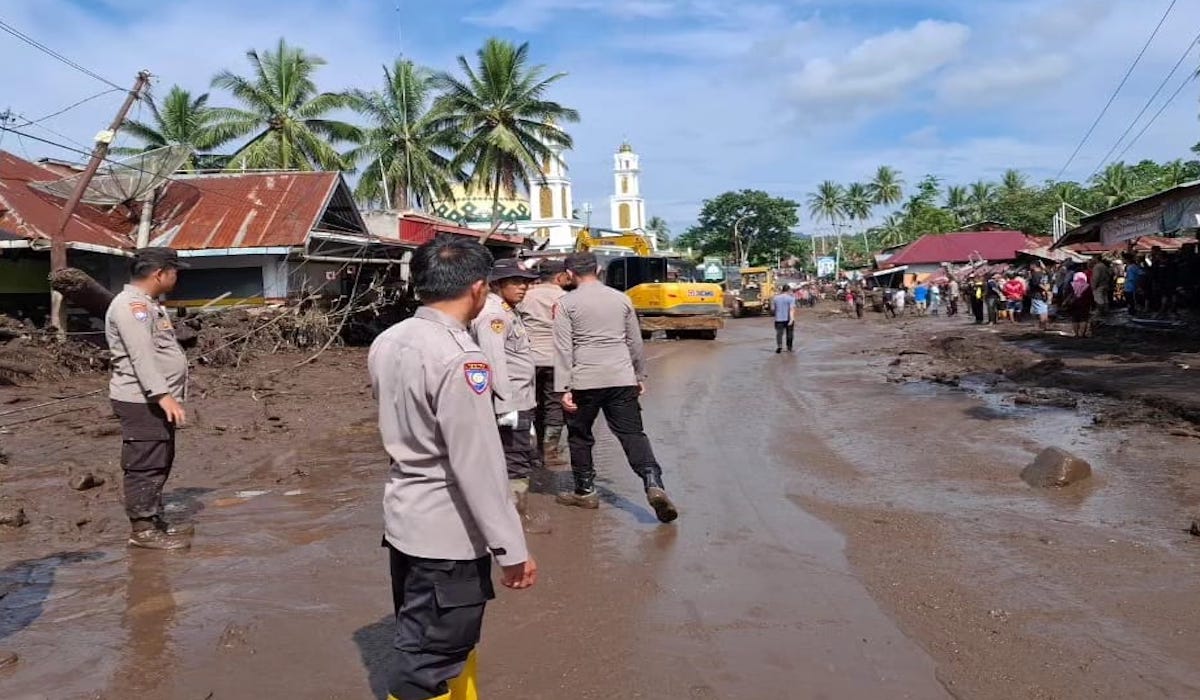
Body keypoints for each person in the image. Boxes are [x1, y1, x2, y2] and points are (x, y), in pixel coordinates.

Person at [369, 236, 537, 700]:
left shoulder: (389, 340)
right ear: (480, 288)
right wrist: (511, 548)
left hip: (406, 518)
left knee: (437, 642)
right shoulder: (461, 358)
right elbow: (477, 464)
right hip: (449, 534)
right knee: (429, 662)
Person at [552, 251, 679, 523]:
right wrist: (638, 375)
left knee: (580, 436)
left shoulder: (566, 303)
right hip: (621, 377)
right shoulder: (622, 299)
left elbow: (563, 348)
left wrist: (563, 387)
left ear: (570, 274)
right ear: (597, 269)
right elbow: (634, 341)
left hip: (584, 379)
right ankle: (653, 481)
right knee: (633, 433)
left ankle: (585, 491)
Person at [106, 247, 193, 550]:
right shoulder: (131, 306)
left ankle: (153, 521)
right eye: (174, 271)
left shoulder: (147, 304)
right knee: (145, 463)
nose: (176, 276)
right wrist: (163, 395)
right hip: (142, 400)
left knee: (160, 458)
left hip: (151, 400)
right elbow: (141, 356)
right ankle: (141, 531)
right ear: (160, 274)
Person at [470, 257, 548, 534]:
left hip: (518, 399)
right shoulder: (494, 316)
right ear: (497, 284)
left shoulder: (507, 310)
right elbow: (492, 362)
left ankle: (509, 516)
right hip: (509, 402)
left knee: (516, 455)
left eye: (526, 283)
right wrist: (505, 406)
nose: (523, 288)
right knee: (515, 458)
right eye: (516, 282)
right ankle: (514, 521)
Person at [517, 259, 570, 457]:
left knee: (530, 403)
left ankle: (528, 448)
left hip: (529, 358)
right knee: (554, 404)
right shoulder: (566, 298)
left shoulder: (526, 296)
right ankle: (550, 451)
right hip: (557, 359)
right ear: (559, 276)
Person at [1066, 271, 1094, 338]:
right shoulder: (1087, 286)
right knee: (1083, 319)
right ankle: (1082, 334)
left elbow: (1067, 294)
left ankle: (1076, 334)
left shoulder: (1071, 285)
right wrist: (1092, 304)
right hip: (1085, 304)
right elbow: (1091, 296)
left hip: (1073, 304)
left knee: (1075, 319)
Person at [771, 283, 797, 353]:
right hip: (788, 318)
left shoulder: (775, 298)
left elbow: (773, 309)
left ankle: (779, 346)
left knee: (779, 333)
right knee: (790, 334)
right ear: (788, 290)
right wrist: (791, 319)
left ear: (782, 290)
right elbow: (791, 309)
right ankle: (789, 348)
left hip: (778, 319)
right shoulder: (791, 298)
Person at [1028, 261, 1051, 331]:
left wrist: (1045, 289)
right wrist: (1047, 290)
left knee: (1040, 311)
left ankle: (1042, 327)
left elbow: (1037, 284)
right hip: (1044, 295)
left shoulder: (1035, 274)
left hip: (1037, 294)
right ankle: (1045, 326)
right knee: (1044, 310)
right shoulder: (1044, 274)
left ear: (1033, 265)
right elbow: (1050, 279)